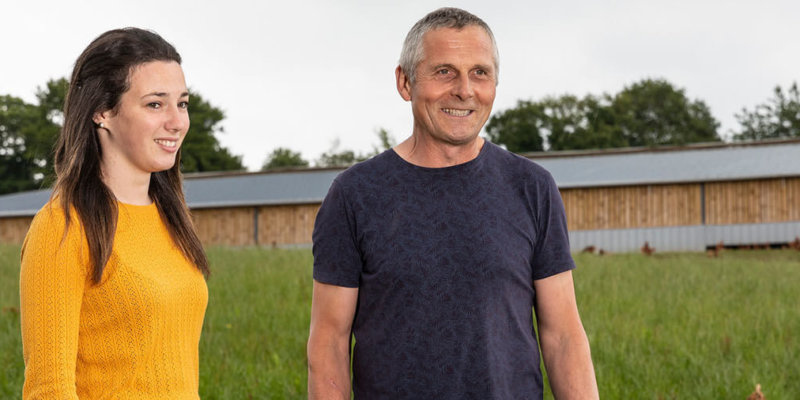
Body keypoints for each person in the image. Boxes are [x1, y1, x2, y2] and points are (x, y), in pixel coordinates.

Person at [307, 7, 599, 399]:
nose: (465, 89)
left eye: (480, 72)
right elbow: (329, 342)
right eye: (444, 71)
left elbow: (563, 336)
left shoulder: (532, 187)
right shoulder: (355, 194)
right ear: (405, 82)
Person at [19, 28, 209, 399]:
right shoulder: (62, 226)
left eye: (182, 103)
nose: (177, 121)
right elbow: (48, 390)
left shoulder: (172, 219)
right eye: (155, 104)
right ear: (102, 111)